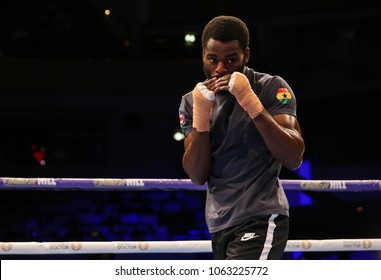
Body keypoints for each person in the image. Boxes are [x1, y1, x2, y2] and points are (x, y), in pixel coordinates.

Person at [178, 15, 305, 260]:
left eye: (230, 59)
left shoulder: (270, 87)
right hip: (218, 224)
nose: (220, 68)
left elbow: (294, 157)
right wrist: (202, 118)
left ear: (246, 55)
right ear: (203, 54)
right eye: (212, 59)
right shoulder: (192, 100)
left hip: (261, 216)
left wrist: (250, 102)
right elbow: (196, 175)